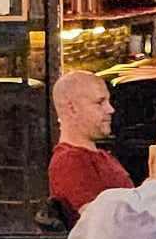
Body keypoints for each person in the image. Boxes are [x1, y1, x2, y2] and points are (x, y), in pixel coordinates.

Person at [47, 70, 132, 221]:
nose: (110, 109)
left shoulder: (102, 156)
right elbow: (99, 225)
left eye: (108, 101)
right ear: (72, 108)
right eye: (100, 102)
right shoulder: (69, 162)